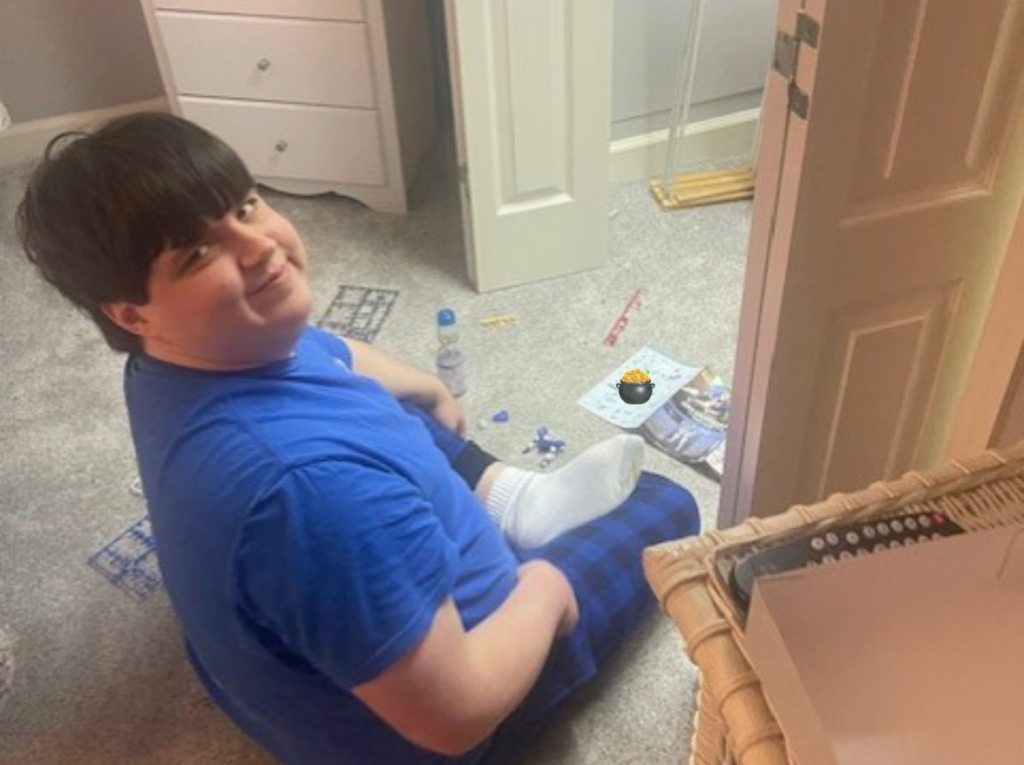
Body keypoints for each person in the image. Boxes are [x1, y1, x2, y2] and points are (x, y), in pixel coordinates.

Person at [17, 113, 701, 765]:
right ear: (131, 313)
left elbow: (331, 352)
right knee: (665, 503)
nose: (260, 248)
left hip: (287, 662)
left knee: (384, 402)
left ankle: (512, 498)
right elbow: (455, 715)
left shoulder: (179, 358)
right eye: (199, 253)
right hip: (435, 720)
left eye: (246, 206)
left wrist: (425, 386)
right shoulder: (315, 495)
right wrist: (545, 588)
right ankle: (529, 541)